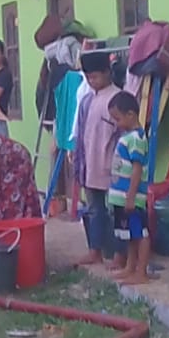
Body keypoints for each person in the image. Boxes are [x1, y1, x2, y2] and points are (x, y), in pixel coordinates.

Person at [74, 52, 121, 266]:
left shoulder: (118, 99)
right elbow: (81, 132)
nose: (92, 81)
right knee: (94, 210)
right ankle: (95, 251)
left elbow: (123, 133)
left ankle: (118, 254)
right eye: (88, 78)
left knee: (115, 211)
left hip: (112, 165)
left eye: (96, 77)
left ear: (107, 73)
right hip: (90, 164)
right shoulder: (86, 100)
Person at [107, 90, 154, 285]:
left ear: (130, 115)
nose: (116, 123)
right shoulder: (128, 137)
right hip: (122, 196)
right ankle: (130, 266)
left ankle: (141, 271)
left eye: (117, 119)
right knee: (130, 235)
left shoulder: (136, 139)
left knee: (140, 234)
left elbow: (136, 170)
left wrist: (131, 196)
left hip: (131, 197)